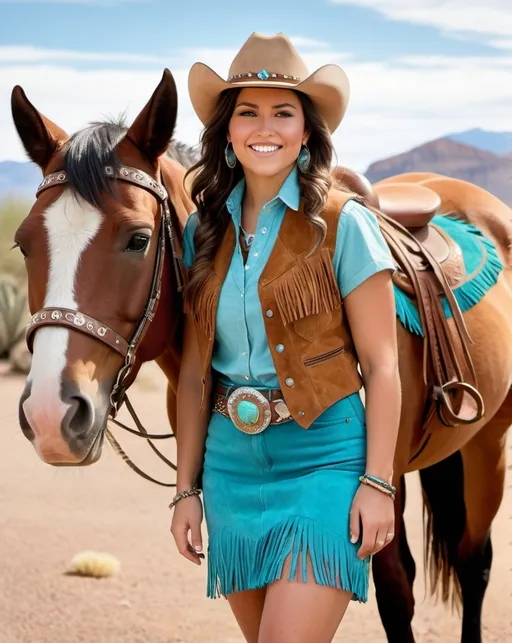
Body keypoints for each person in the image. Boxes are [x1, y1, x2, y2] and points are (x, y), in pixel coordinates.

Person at [170, 32, 401, 643]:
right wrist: (185, 490)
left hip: (324, 460)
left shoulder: (343, 225)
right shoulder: (203, 230)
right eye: (247, 111)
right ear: (226, 130)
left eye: (283, 112)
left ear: (306, 131)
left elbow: (381, 367)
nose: (263, 127)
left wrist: (378, 484)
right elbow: (196, 370)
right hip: (230, 469)